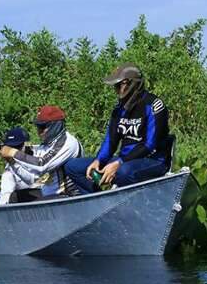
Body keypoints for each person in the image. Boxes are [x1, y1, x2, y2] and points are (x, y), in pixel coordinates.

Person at [64, 63, 170, 194]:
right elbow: (110, 141)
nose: (116, 89)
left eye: (119, 85)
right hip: (123, 161)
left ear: (131, 84)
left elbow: (149, 145)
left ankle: (130, 205)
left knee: (123, 172)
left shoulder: (154, 105)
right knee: (73, 167)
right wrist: (99, 160)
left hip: (152, 160)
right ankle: (99, 201)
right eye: (115, 86)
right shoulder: (118, 109)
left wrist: (119, 163)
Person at [0, 105, 83, 200]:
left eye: (42, 127)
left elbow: (41, 165)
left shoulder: (68, 142)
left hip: (67, 197)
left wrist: (12, 152)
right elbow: (31, 178)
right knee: (15, 197)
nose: (39, 132)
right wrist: (12, 162)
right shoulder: (46, 145)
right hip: (49, 196)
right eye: (38, 127)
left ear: (56, 125)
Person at [0, 127, 41, 204]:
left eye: (17, 146)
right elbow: (5, 199)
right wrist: (12, 162)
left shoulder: (41, 153)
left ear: (26, 144)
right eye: (11, 147)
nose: (14, 150)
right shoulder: (9, 170)